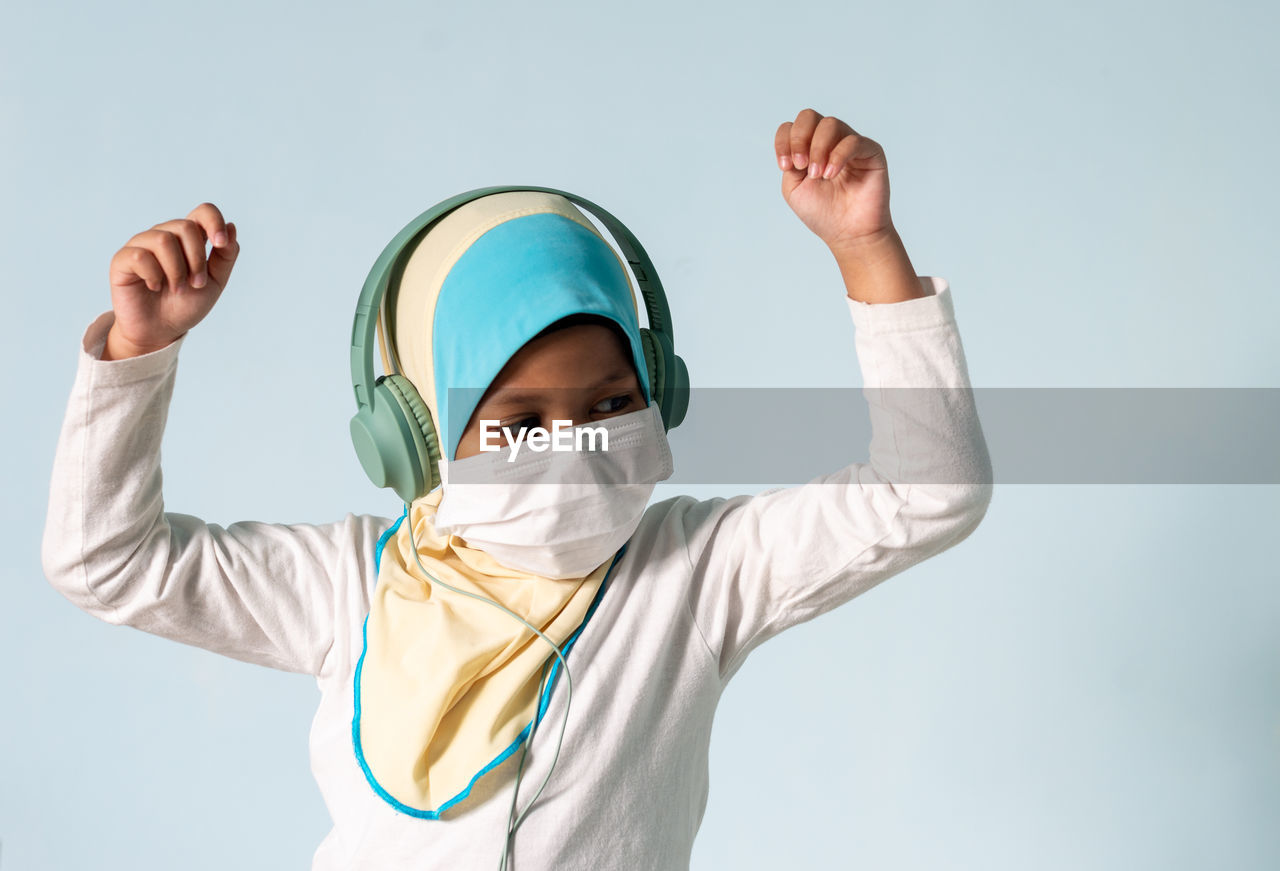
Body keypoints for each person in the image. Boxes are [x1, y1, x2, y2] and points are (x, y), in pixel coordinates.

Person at [42, 108, 993, 870]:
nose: (572, 447)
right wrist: (140, 352)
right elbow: (106, 561)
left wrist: (869, 252)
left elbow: (930, 490)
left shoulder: (701, 574)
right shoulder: (348, 585)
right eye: (520, 420)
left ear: (660, 394)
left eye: (612, 400)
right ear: (417, 439)